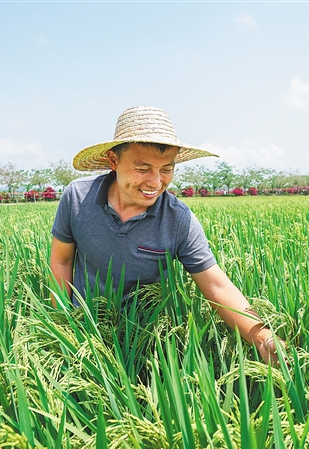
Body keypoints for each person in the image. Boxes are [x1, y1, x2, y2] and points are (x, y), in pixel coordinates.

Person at [50, 106, 283, 364]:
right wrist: (63, 325)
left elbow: (216, 285)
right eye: (143, 168)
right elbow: (62, 261)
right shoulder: (76, 199)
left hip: (144, 340)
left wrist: (262, 336)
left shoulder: (178, 219)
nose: (155, 182)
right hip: (85, 331)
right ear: (114, 161)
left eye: (166, 169)